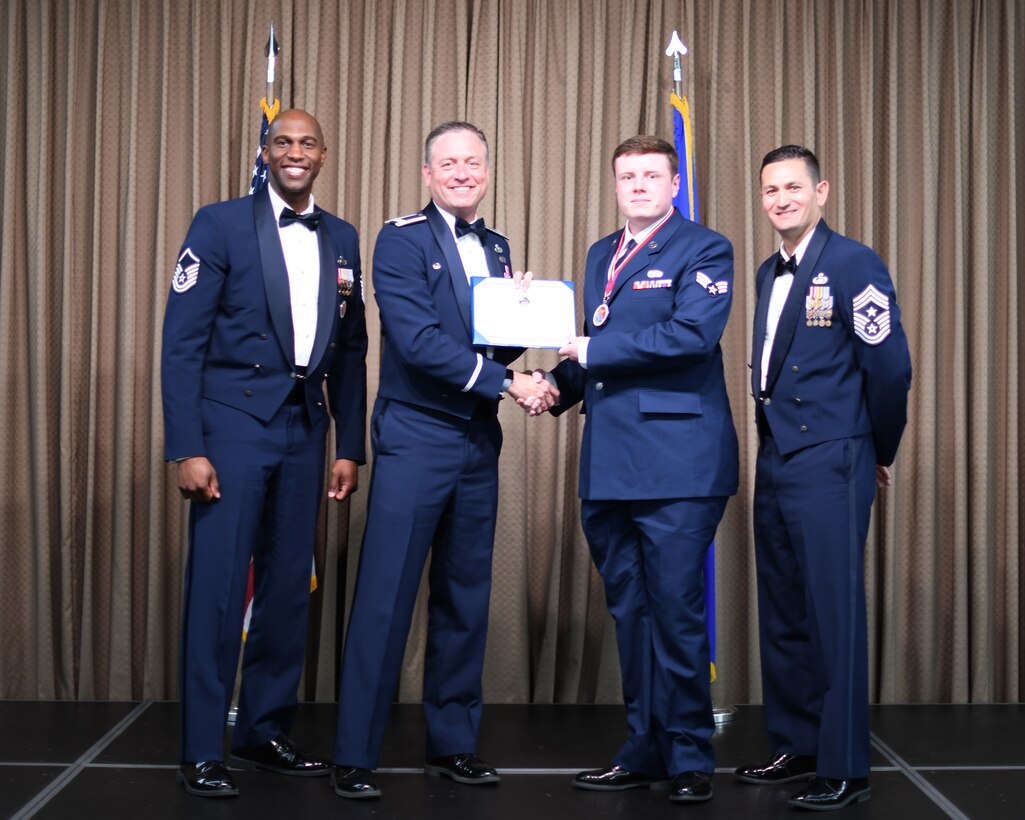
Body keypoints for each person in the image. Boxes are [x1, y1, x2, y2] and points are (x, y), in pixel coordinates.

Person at [330, 121, 557, 800]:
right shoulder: (398, 239)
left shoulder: (496, 245)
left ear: (486, 171)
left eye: (473, 163)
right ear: (427, 174)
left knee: (465, 598)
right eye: (448, 163)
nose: (462, 172)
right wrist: (509, 384)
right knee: (385, 597)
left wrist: (527, 325)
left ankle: (452, 745)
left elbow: (490, 349)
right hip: (415, 437)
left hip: (475, 440)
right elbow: (419, 341)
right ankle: (354, 753)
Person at [161, 109, 368, 798]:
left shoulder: (342, 237)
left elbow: (353, 350)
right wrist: (187, 446)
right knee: (220, 593)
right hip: (232, 431)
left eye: (307, 143)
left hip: (307, 433)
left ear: (324, 154)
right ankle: (201, 749)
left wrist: (350, 443)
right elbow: (182, 342)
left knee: (285, 591)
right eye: (283, 142)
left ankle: (262, 731)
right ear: (266, 151)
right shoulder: (218, 223)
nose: (295, 152)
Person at [547, 135, 739, 804]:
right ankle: (643, 749)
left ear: (674, 181)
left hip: (677, 467)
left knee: (677, 616)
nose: (636, 185)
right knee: (631, 615)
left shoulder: (704, 248)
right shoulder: (604, 253)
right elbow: (591, 347)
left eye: (650, 174)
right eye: (626, 175)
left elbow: (691, 335)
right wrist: (549, 383)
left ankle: (689, 757)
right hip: (611, 467)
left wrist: (592, 349)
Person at [734, 145, 912, 811]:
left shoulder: (852, 262)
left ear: (821, 192)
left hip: (833, 455)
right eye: (769, 190)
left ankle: (844, 767)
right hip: (777, 457)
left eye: (792, 187)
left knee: (831, 613)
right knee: (783, 608)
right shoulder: (763, 272)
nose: (780, 199)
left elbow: (889, 367)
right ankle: (796, 744)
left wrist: (878, 447)